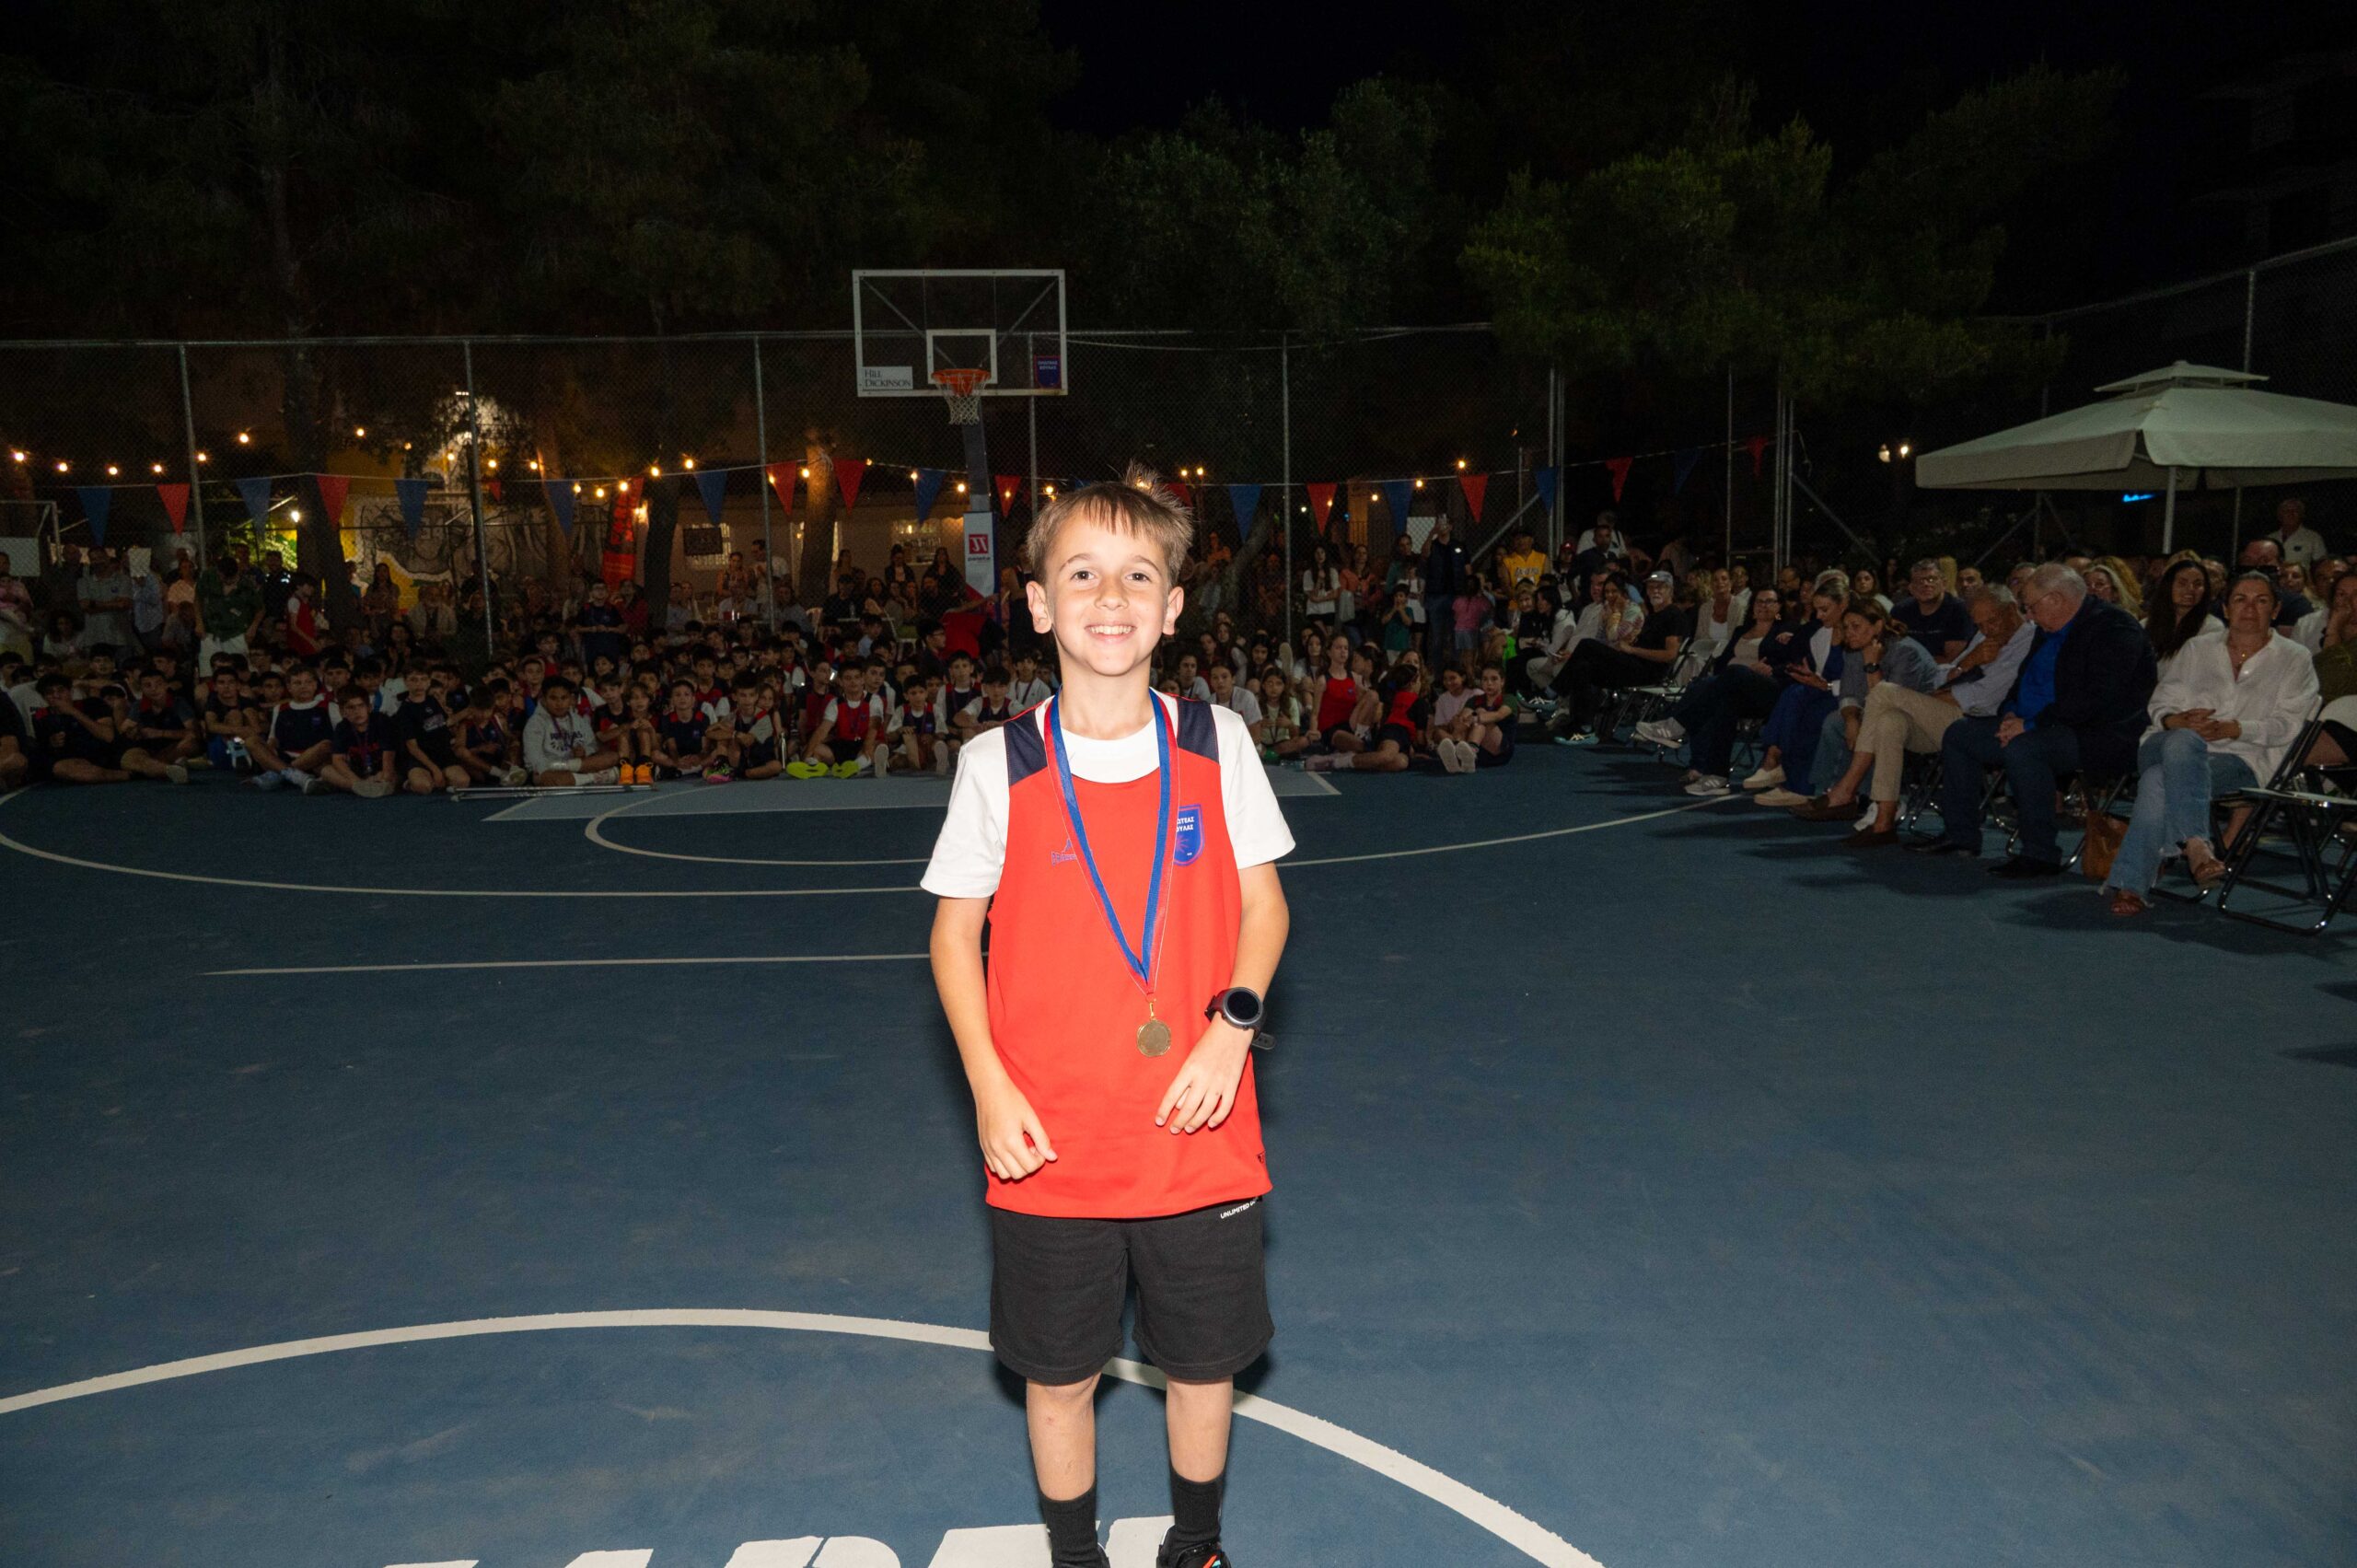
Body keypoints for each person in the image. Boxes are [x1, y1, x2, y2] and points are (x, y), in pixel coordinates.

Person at [922, 470, 1292, 1568]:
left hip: (1197, 1131)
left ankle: (1195, 1544)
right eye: (1081, 574)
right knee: (1059, 1375)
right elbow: (952, 937)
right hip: (1051, 1140)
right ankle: (1075, 1556)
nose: (1111, 597)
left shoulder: (1216, 742)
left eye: (1138, 575)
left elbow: (1265, 906)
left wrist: (1230, 1025)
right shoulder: (998, 764)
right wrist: (989, 1086)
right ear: (1039, 603)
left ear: (1173, 607)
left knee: (1203, 1365)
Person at [1916, 563, 2159, 876]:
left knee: (2026, 749)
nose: (2028, 616)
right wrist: (2010, 713)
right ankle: (1961, 834)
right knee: (1960, 734)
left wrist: (2029, 725)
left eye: (2031, 607)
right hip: (2041, 723)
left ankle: (2040, 852)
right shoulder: (2049, 628)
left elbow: (2096, 699)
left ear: (2055, 599)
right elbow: (2022, 680)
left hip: (2098, 733)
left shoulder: (2115, 629)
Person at [2102, 571, 2318, 914]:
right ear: (2226, 609)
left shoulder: (2295, 658)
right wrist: (2176, 720)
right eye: (2240, 600)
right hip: (2166, 744)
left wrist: (2235, 729)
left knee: (2158, 781)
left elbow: (2289, 725)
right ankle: (2197, 844)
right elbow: (2161, 702)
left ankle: (2133, 884)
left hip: (2243, 758)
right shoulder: (2197, 648)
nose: (2250, 608)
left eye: (2261, 601)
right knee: (2183, 741)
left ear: (2276, 610)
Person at [1803, 585, 2034, 845]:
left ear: (2012, 610)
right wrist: (1968, 662)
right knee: (1889, 722)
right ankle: (1884, 820)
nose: (1987, 629)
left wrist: (1930, 695)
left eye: (1992, 621)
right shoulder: (1983, 637)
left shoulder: (2027, 642)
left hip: (1978, 722)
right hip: (1942, 715)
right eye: (1979, 624)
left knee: (1884, 693)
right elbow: (1940, 675)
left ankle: (1846, 790)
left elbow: (1982, 699)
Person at [1758, 599, 1940, 807]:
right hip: (1878, 711)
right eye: (1846, 627)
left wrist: (1872, 665)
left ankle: (1862, 795)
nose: (1849, 633)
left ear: (1878, 626)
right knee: (1836, 720)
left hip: (1917, 721)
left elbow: (1890, 703)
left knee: (1869, 725)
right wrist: (1851, 718)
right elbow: (1848, 693)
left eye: (1856, 626)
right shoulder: (1854, 650)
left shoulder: (1905, 651)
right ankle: (1829, 791)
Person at [1550, 572, 1690, 744]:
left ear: (1670, 590)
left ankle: (1552, 692)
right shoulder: (1653, 616)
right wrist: (1629, 645)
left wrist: (1632, 650)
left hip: (1648, 672)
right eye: (1651, 587)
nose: (1655, 591)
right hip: (1633, 664)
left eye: (1660, 587)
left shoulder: (1674, 616)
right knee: (1583, 667)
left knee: (1587, 645)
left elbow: (1670, 655)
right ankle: (1583, 728)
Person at [521, 676, 621, 786]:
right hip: (551, 770)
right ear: (544, 699)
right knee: (549, 779)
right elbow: (534, 759)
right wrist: (556, 768)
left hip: (577, 766)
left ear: (571, 699)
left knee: (613, 757)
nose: (559, 703)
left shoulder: (578, 720)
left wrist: (584, 751)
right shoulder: (535, 723)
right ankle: (595, 778)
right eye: (553, 698)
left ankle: (583, 778)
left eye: (564, 698)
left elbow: (593, 746)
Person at [321, 684, 401, 798]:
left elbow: (389, 757)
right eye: (351, 707)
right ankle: (362, 788)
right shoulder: (342, 727)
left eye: (361, 706)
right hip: (358, 773)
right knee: (326, 771)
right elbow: (337, 760)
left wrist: (385, 778)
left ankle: (366, 787)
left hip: (381, 770)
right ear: (342, 712)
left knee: (390, 777)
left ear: (369, 707)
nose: (357, 711)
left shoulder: (381, 721)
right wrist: (357, 782)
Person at [1888, 559, 1972, 661]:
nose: (1926, 584)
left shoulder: (1959, 609)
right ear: (1911, 588)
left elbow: (1952, 658)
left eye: (1931, 579)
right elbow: (1892, 650)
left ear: (1944, 584)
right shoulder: (1900, 610)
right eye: (1919, 581)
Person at [2147, 558, 2223, 665]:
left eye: (2197, 584)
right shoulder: (2146, 625)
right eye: (2182, 583)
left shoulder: (2212, 628)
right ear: (2168, 586)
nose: (2190, 589)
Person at [1422, 517, 1469, 666]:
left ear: (1451, 526)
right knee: (1437, 635)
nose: (1443, 526)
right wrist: (1431, 534)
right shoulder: (1433, 545)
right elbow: (1425, 554)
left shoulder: (1458, 545)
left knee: (1456, 632)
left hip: (1456, 594)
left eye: (1445, 523)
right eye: (1440, 523)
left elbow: (1467, 568)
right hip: (1436, 595)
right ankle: (1437, 667)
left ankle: (1455, 665)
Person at [2270, 494, 2328, 568]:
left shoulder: (2313, 538)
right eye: (2286, 511)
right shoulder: (2270, 539)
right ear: (2279, 516)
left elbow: (2322, 564)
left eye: (2295, 511)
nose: (2291, 514)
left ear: (2301, 515)